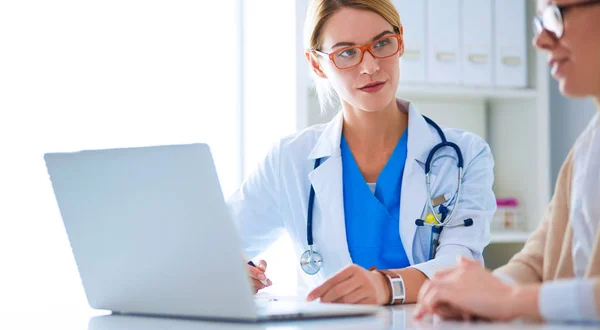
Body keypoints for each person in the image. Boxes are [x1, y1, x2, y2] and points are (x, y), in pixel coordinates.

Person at [227, 0, 496, 306]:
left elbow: (461, 264)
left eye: (382, 44)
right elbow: (214, 239)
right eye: (346, 52)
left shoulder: (465, 155)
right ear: (317, 64)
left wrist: (386, 286)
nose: (370, 66)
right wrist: (226, 269)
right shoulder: (289, 159)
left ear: (401, 42)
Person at [414, 0, 600, 322]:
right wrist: (480, 292)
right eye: (539, 22)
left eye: (555, 16)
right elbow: (535, 261)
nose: (540, 41)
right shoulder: (587, 148)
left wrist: (513, 299)